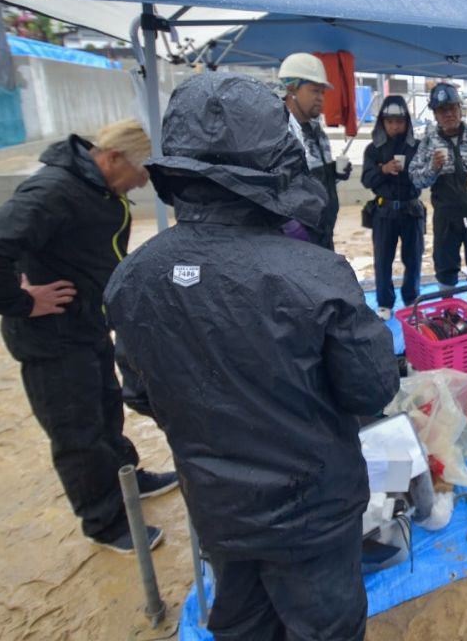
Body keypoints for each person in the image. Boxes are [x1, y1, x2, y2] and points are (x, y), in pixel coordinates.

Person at [104, 72, 399, 641]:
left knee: (241, 626)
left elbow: (140, 394)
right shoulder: (316, 275)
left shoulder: (132, 278)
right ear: (276, 162)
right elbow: (370, 388)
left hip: (218, 509)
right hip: (313, 513)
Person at [0, 119, 177, 554]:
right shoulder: (55, 190)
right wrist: (22, 301)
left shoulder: (96, 188)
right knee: (77, 431)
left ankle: (128, 478)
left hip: (86, 324)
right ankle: (104, 521)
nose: (139, 185)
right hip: (51, 337)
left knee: (105, 410)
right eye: (138, 175)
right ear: (113, 158)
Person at [408, 82, 467, 288]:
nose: (448, 114)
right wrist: (432, 168)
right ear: (435, 115)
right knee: (445, 266)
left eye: (452, 108)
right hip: (446, 216)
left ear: (460, 109)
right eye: (442, 110)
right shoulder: (428, 142)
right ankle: (448, 312)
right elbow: (414, 178)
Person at [280, 52, 353, 250]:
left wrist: (334, 173)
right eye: (314, 91)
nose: (321, 98)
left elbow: (317, 180)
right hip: (294, 240)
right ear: (291, 88)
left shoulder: (317, 132)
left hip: (323, 233)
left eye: (322, 92)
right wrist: (290, 227)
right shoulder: (277, 132)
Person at [362, 96, 423, 320]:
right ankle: (384, 303)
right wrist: (383, 170)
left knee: (414, 259)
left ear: (407, 122)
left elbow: (422, 178)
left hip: (411, 210)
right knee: (383, 259)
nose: (395, 126)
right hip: (383, 212)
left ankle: (411, 300)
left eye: (400, 121)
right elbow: (366, 180)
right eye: (390, 122)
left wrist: (405, 172)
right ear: (382, 123)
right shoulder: (373, 149)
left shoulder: (417, 147)